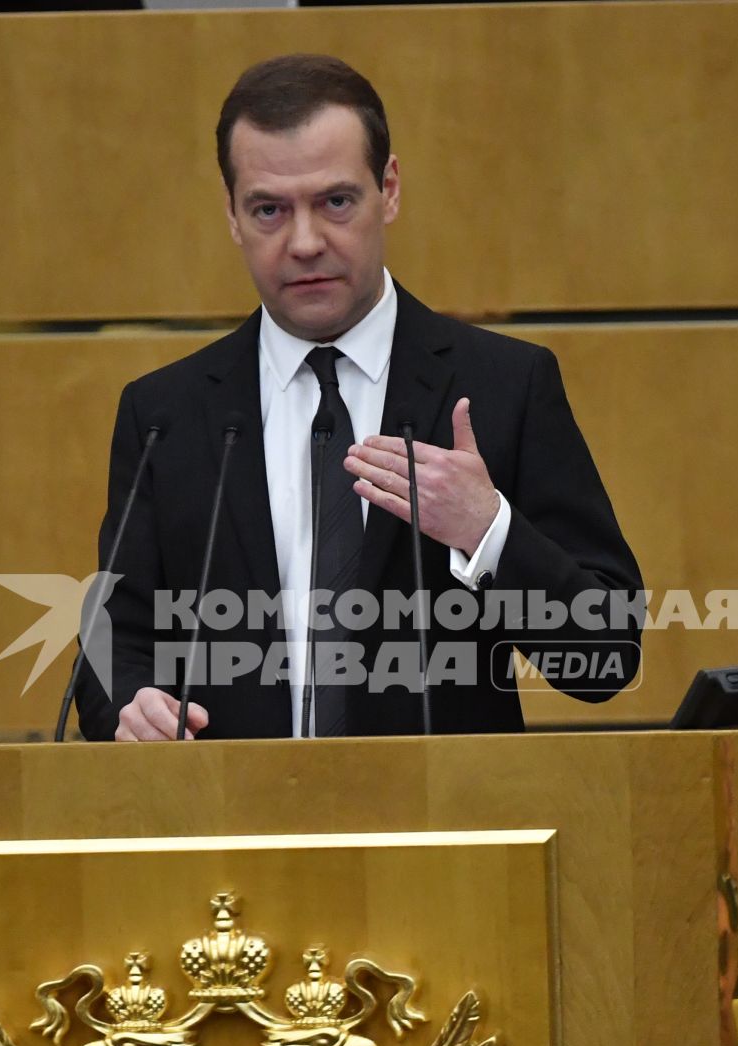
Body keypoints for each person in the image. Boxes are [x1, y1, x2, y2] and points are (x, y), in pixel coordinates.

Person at [76, 54, 641, 741]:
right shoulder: (165, 414)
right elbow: (113, 645)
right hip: (234, 832)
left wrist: (487, 531)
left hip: (449, 832)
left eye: (336, 202)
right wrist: (133, 707)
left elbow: (607, 656)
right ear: (231, 215)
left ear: (390, 189)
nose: (305, 242)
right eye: (269, 210)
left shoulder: (502, 386)